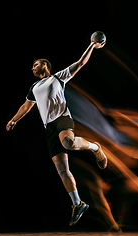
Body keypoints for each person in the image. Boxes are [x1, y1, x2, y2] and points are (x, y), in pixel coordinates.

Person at [6, 39, 107, 226]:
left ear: (45, 65)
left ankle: (95, 147)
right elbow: (26, 106)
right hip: (49, 128)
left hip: (62, 118)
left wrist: (92, 45)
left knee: (68, 142)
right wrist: (14, 119)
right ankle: (78, 204)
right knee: (62, 170)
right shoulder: (33, 88)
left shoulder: (58, 77)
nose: (32, 68)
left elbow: (81, 63)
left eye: (35, 64)